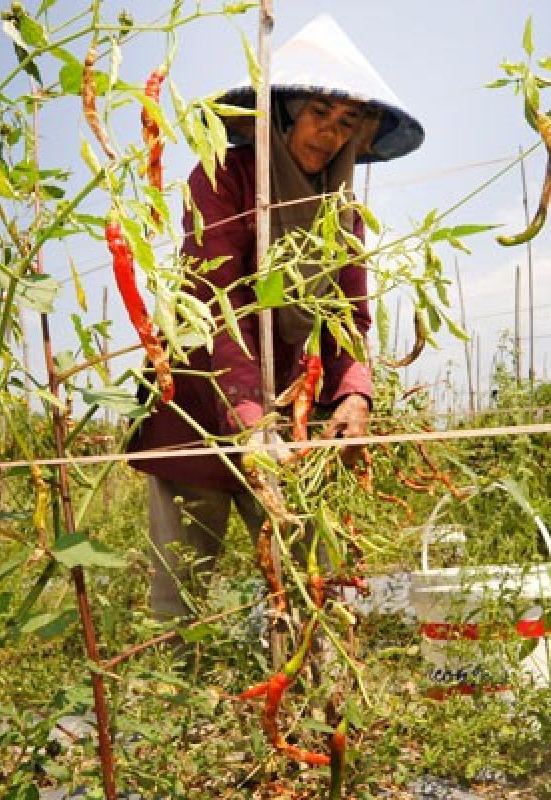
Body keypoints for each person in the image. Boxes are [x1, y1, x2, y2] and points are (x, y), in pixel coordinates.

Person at [127, 15, 424, 620]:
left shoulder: (343, 215)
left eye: (345, 124)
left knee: (311, 582)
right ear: (283, 113)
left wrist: (354, 395)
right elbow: (219, 304)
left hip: (286, 414)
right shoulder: (222, 181)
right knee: (182, 599)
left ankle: (319, 702)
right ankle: (174, 704)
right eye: (318, 113)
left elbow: (350, 320)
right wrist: (248, 422)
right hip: (198, 403)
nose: (329, 135)